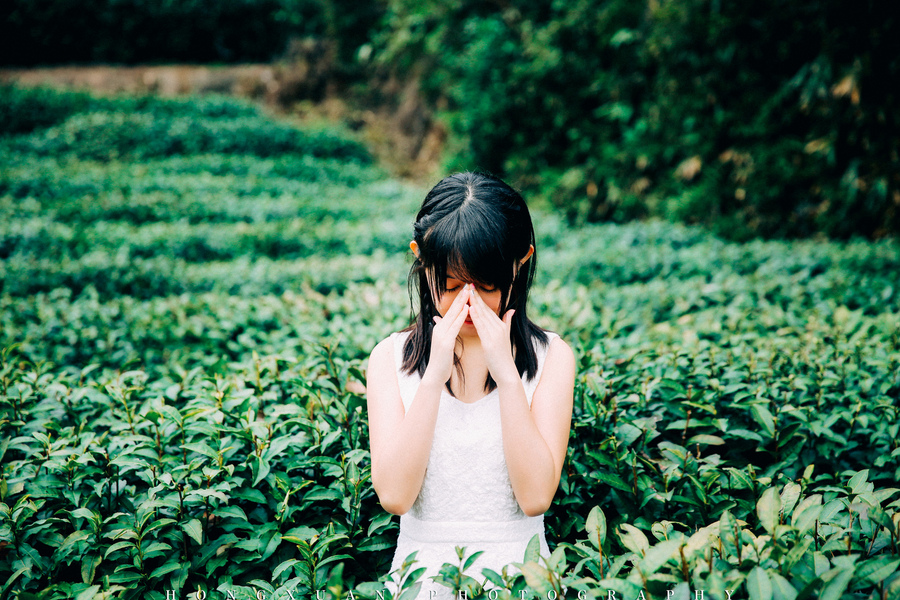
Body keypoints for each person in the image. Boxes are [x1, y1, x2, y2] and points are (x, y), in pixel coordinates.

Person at [365, 171, 575, 600]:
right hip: (420, 582)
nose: (468, 301)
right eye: (451, 285)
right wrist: (434, 372)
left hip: (520, 581)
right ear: (421, 261)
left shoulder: (553, 358)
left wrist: (506, 372)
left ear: (520, 262)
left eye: (487, 285)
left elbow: (535, 496)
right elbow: (394, 495)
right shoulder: (389, 359)